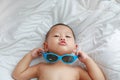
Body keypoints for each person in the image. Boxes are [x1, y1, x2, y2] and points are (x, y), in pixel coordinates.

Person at [12, 23, 105, 80]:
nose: (62, 38)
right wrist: (30, 55)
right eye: (56, 36)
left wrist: (87, 60)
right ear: (46, 46)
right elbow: (18, 75)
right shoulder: (41, 68)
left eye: (68, 36)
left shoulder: (77, 71)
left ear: (75, 48)